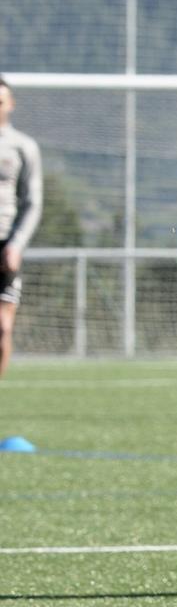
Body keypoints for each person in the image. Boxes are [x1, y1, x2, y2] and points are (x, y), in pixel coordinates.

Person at [0, 76, 44, 388]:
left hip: (4, 246)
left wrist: (16, 244)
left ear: (10, 104)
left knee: (2, 327)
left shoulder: (23, 147)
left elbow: (33, 202)